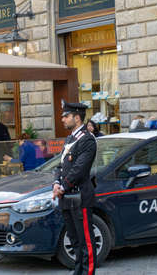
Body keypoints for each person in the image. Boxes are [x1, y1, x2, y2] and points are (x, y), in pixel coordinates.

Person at [52, 101, 97, 275]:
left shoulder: (87, 139)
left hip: (80, 196)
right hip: (66, 197)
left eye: (66, 116)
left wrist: (63, 186)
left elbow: (80, 169)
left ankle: (88, 272)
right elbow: (60, 166)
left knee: (86, 241)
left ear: (77, 118)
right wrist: (56, 183)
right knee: (74, 240)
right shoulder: (71, 138)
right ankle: (78, 271)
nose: (62, 119)